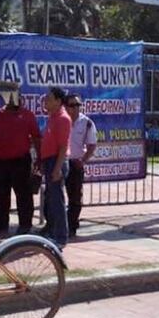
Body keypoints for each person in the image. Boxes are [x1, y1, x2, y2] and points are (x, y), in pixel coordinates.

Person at [0, 98, 41, 236]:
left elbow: (36, 137)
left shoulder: (28, 115)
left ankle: (25, 226)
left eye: (17, 97)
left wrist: (40, 158)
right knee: (0, 196)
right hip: (0, 162)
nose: (15, 101)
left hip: (21, 161)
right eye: (11, 97)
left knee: (24, 196)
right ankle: (2, 226)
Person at [39, 87, 72, 248]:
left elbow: (63, 147)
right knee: (51, 201)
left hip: (56, 162)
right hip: (49, 161)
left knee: (57, 202)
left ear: (58, 101)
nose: (46, 100)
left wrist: (57, 169)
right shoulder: (52, 117)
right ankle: (52, 233)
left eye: (49, 98)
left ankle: (61, 237)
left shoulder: (63, 119)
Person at [65, 94, 97, 239]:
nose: (75, 108)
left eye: (78, 105)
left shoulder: (87, 122)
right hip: (60, 162)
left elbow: (92, 145)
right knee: (53, 197)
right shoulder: (60, 120)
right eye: (72, 105)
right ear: (65, 106)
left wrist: (83, 160)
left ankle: (72, 226)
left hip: (75, 163)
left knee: (75, 197)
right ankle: (54, 225)